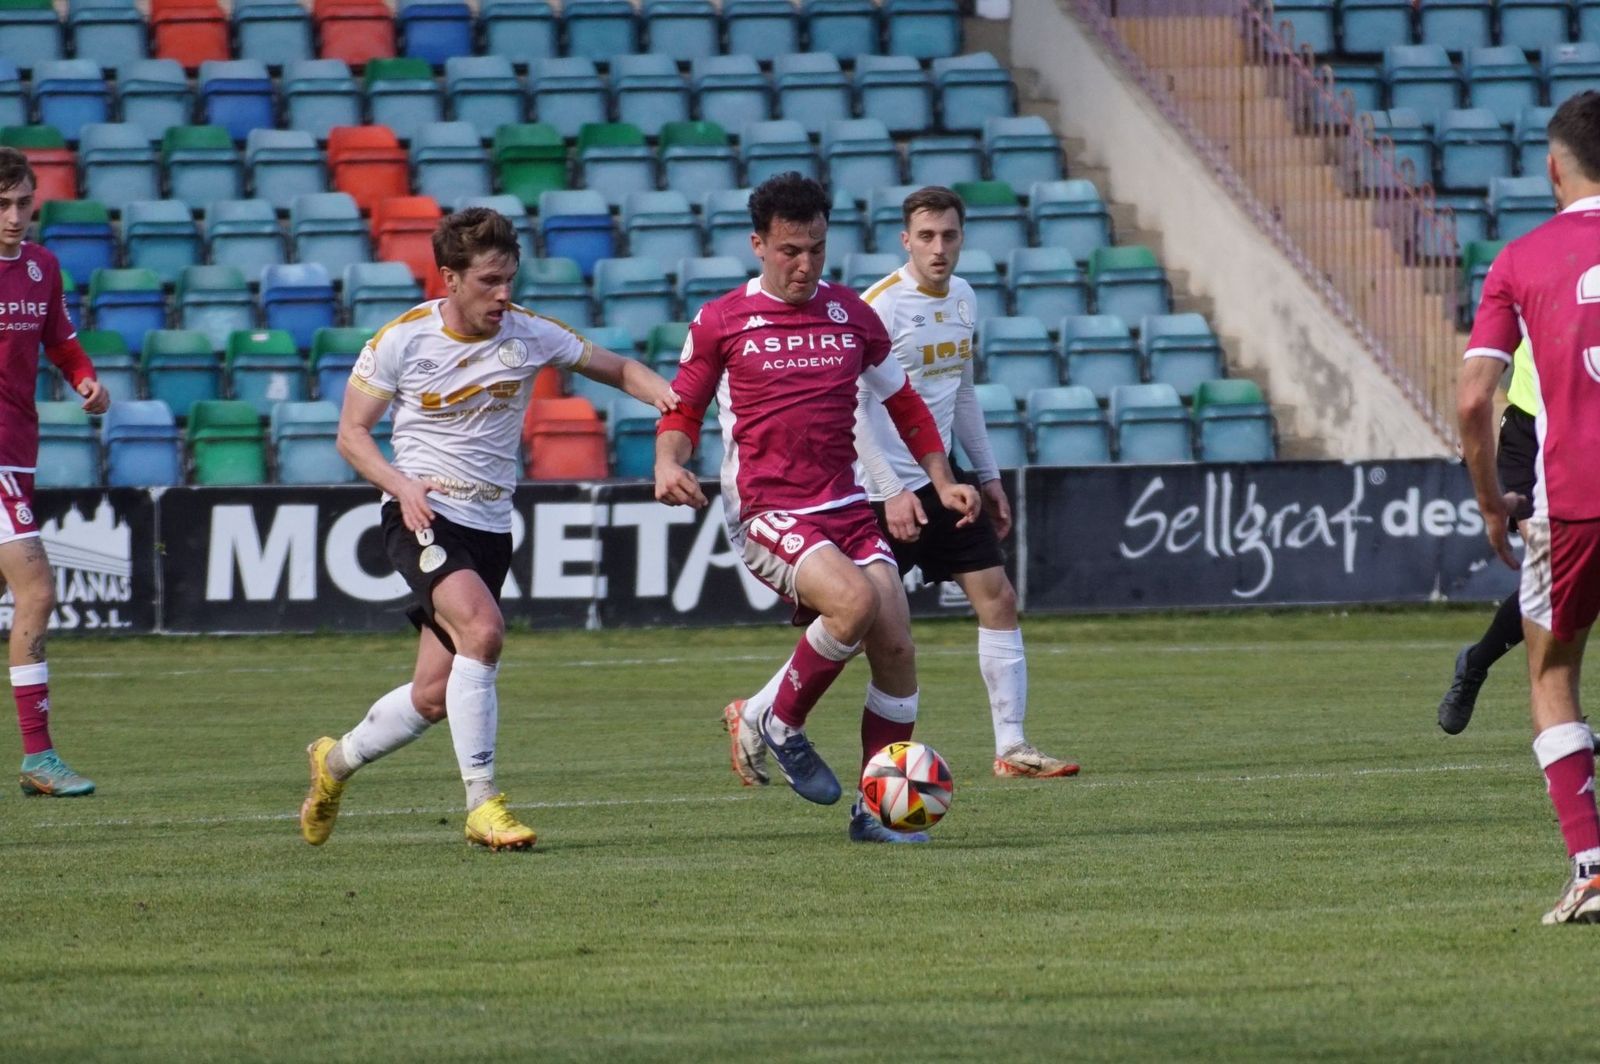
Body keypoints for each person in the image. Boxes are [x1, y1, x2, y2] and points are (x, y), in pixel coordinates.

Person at [299, 208, 678, 850]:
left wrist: (672, 399)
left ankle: (333, 763)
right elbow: (351, 434)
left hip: (491, 526)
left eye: (509, 280)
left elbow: (616, 369)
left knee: (431, 696)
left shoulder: (530, 333)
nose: (503, 295)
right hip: (422, 513)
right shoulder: (401, 340)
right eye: (489, 282)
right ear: (450, 278)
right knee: (484, 630)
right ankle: (483, 802)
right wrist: (401, 486)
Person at [654, 172, 980, 843]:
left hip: (847, 506)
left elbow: (904, 403)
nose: (805, 265)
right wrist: (668, 462)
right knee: (853, 603)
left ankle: (876, 813)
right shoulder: (722, 320)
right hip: (768, 509)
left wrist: (941, 479)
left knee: (896, 646)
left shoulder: (851, 314)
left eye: (816, 250)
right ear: (758, 245)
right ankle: (779, 721)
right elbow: (682, 410)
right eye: (789, 251)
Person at [851, 185, 1078, 778]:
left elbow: (963, 393)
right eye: (926, 236)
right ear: (906, 240)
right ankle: (761, 713)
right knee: (850, 625)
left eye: (949, 235)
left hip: (944, 481)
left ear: (962, 238)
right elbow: (852, 409)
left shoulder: (964, 297)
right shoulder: (880, 306)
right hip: (881, 492)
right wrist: (890, 489)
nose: (939, 247)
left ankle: (1012, 748)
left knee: (998, 598)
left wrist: (989, 476)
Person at [1459, 90, 1600, 923]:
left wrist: (1489, 504)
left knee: (1553, 675)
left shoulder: (1521, 258)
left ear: (1553, 168)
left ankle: (1592, 866)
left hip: (1572, 502)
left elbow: (1475, 398)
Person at [0, 147, 109, 797]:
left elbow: (61, 342)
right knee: (37, 589)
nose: (14, 217)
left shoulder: (41, 268)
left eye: (23, 205)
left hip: (19, 448)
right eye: (2, 206)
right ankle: (39, 756)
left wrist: (85, 379)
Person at [1438, 338, 1537, 735]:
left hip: (1587, 438)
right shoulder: (1530, 294)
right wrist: (1472, 426)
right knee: (1556, 569)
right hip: (1531, 433)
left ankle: (1477, 661)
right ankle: (1561, 716)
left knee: (1576, 580)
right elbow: (1486, 359)